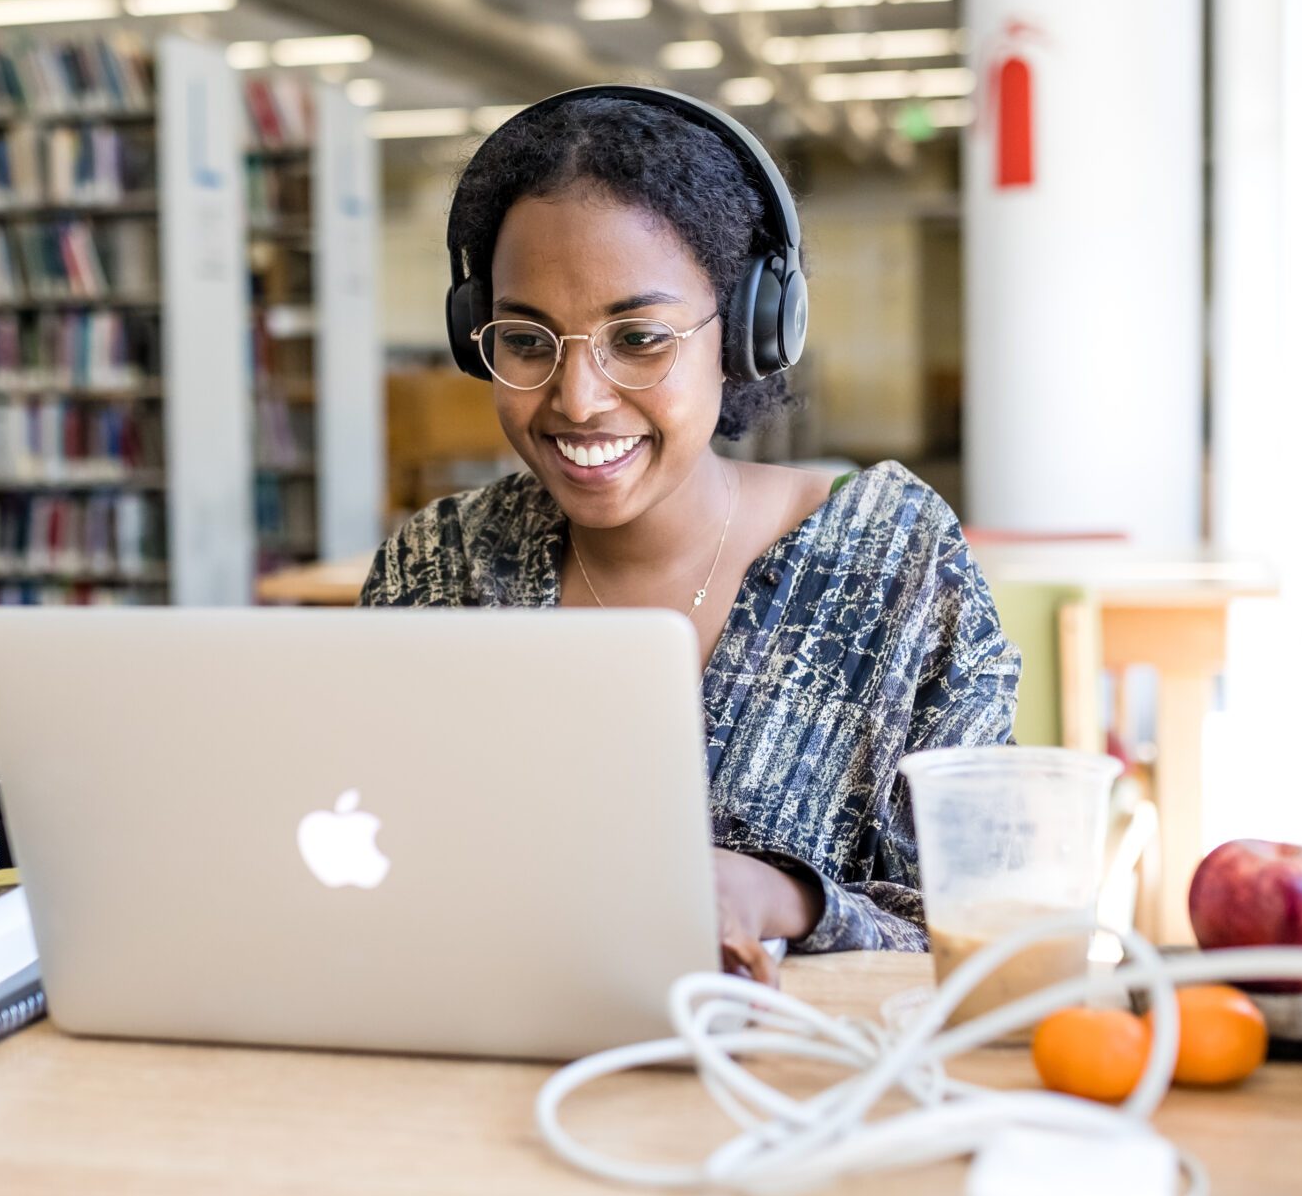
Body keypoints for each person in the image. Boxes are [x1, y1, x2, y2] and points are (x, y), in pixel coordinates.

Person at [360, 88, 1019, 983]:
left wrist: (789, 898)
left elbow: (999, 921)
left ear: (748, 333)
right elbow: (367, 866)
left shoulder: (892, 563)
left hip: (803, 1094)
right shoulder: (437, 568)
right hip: (482, 1067)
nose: (579, 398)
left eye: (638, 337)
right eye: (526, 339)